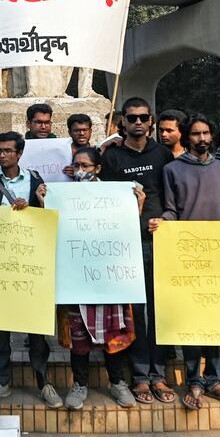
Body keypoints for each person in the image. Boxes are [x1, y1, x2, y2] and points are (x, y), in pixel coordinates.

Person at [158, 114, 220, 409]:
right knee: (191, 320)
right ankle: (194, 380)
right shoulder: (172, 169)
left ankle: (214, 379)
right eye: (196, 134)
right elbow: (171, 209)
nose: (202, 138)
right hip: (186, 254)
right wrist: (161, 222)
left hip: (218, 252)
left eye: (206, 133)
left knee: (218, 318)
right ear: (186, 136)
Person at [100, 97, 175, 404]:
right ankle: (140, 375)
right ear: (123, 123)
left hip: (160, 240)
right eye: (132, 118)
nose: (139, 123)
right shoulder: (112, 156)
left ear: (152, 120)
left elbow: (174, 194)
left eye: (144, 117)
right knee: (136, 313)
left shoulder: (164, 154)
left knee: (161, 310)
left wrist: (167, 219)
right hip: (126, 243)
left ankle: (159, 374)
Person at [56, 145, 139, 409]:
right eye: (76, 166)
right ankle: (79, 384)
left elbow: (125, 228)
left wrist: (137, 205)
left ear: (98, 169)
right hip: (77, 278)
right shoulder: (63, 195)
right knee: (78, 337)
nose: (80, 171)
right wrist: (43, 199)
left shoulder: (115, 195)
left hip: (109, 278)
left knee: (113, 334)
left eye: (86, 166)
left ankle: (117, 382)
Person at [0, 132, 52, 403]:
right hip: (0, 264)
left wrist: (34, 205)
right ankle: (3, 380)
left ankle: (43, 380)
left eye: (8, 151)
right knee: (2, 329)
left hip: (30, 263)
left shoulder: (35, 182)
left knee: (35, 328)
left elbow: (47, 215)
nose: (2, 155)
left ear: (19, 153)